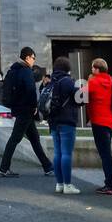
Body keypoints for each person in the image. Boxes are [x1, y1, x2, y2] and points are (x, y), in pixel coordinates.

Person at [0, 46, 55, 179]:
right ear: (27, 57)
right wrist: (34, 106)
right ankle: (4, 168)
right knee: (15, 138)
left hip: (19, 109)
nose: (34, 61)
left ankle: (48, 167)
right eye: (33, 58)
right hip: (26, 110)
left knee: (34, 139)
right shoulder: (26, 71)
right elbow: (30, 90)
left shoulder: (13, 70)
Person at [86, 58, 112, 195]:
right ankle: (110, 183)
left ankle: (110, 185)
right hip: (110, 122)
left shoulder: (94, 81)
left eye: (93, 68)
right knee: (106, 153)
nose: (91, 70)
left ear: (96, 69)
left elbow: (80, 95)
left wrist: (86, 81)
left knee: (105, 154)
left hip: (99, 122)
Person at [47, 56, 81, 194]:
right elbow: (80, 100)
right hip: (67, 121)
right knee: (66, 153)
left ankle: (59, 184)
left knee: (57, 153)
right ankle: (68, 185)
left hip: (53, 122)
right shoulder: (67, 81)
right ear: (67, 68)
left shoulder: (51, 81)